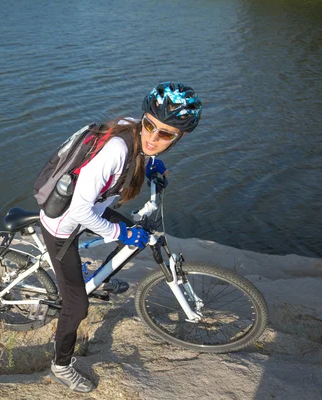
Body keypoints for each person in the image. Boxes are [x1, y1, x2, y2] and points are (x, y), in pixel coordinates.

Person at [40, 81, 202, 393]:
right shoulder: (116, 151)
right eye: (150, 126)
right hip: (66, 222)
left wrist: (153, 165)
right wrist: (120, 231)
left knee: (131, 235)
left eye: (165, 134)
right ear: (144, 119)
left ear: (179, 136)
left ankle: (92, 274)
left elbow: (142, 150)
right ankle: (61, 365)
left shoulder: (132, 128)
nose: (153, 137)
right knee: (77, 306)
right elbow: (79, 212)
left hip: (91, 207)